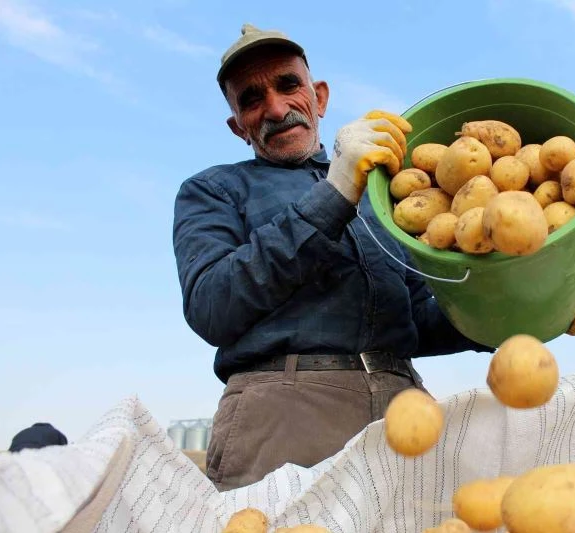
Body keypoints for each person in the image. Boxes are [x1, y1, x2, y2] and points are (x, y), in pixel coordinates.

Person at [171, 23, 492, 492]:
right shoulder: (213, 190)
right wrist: (335, 191)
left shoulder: (385, 196)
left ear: (318, 97)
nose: (276, 108)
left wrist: (512, 309)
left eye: (287, 85)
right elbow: (212, 305)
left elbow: (419, 315)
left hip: (404, 410)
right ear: (237, 125)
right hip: (283, 418)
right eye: (251, 99)